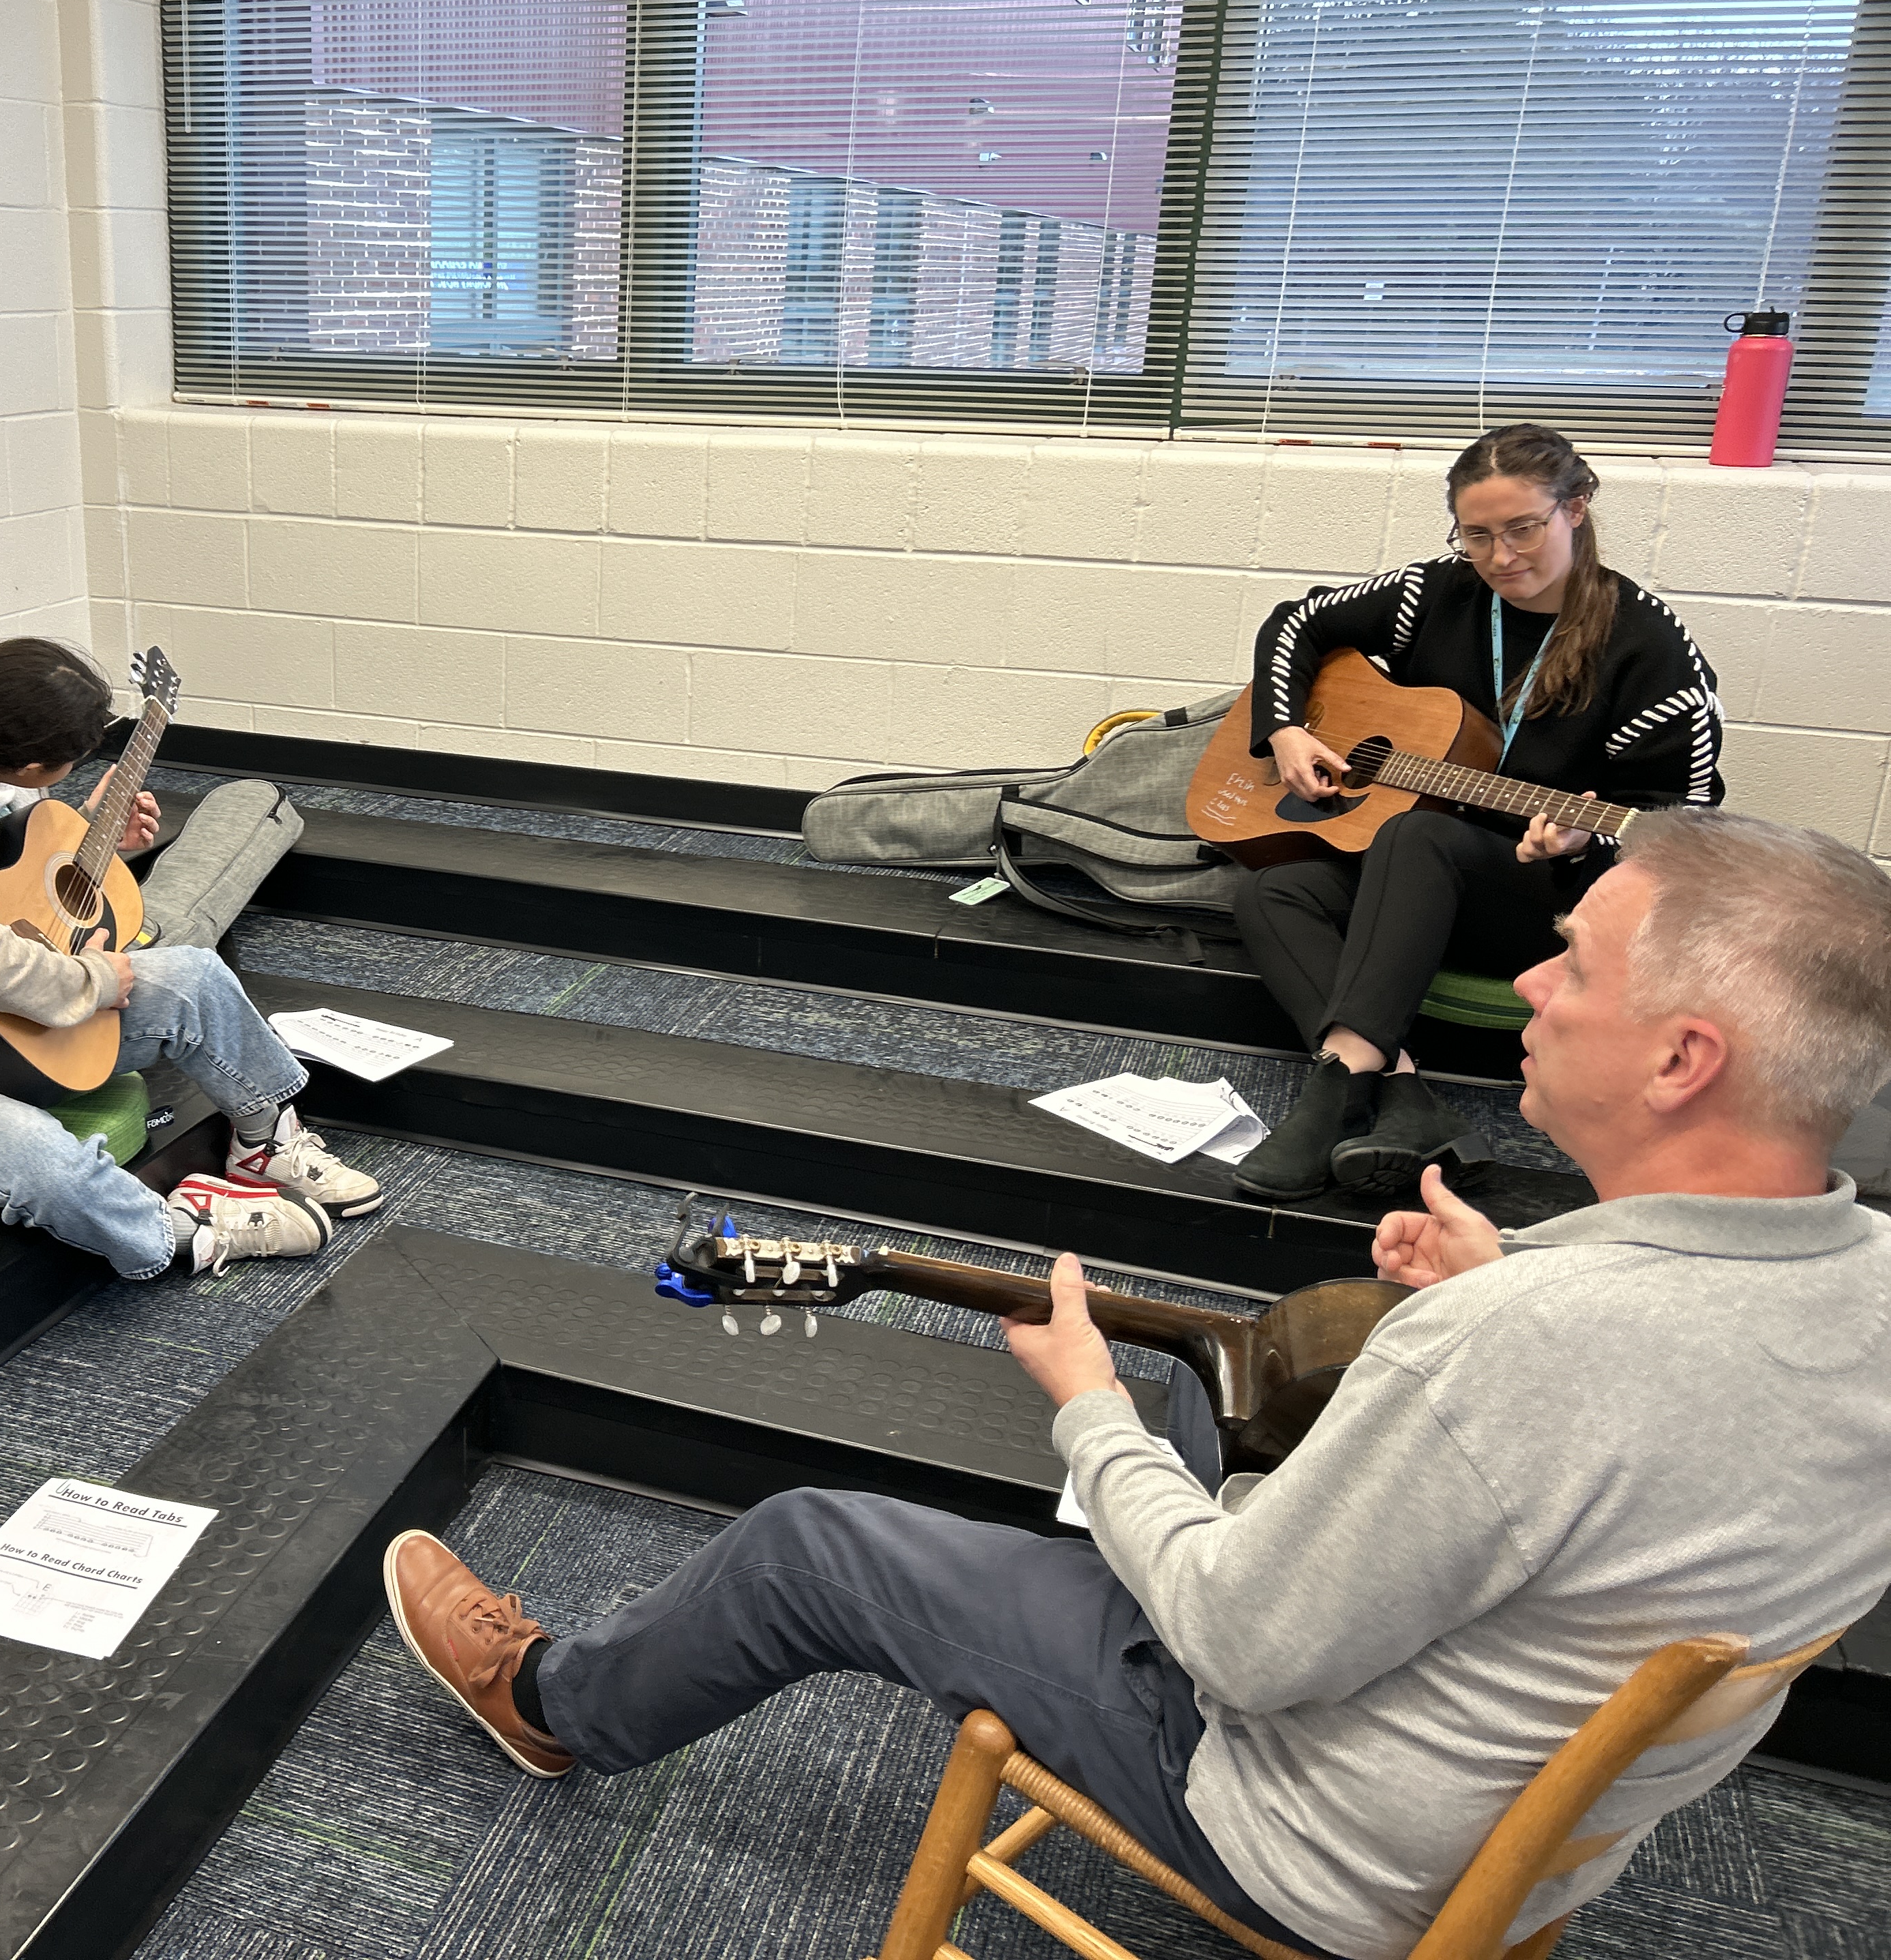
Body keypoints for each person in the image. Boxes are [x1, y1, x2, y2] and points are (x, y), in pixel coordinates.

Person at [383, 809, 1891, 1960]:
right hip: (1542, 1822)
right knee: (1216, 1393)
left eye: (1575, 959)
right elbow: (1669, 1414)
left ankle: (550, 1702)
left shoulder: (1524, 1351)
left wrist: (1083, 1406)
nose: (1534, 982)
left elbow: (1244, 1650)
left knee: (812, 1544)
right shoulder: (1865, 1278)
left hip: (1324, 1839)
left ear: (1685, 1057)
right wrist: (1506, 1283)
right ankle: (1083, 1573)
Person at [1230, 422, 1723, 1200]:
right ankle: (1401, 1092)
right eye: (1478, 536)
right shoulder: (1436, 593)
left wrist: (1581, 847)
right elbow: (1297, 621)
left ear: (1577, 508)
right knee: (1271, 888)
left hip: (1547, 903)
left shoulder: (1650, 647)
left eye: (1524, 529)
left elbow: (1687, 830)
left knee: (1421, 833)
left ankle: (1335, 1090)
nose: (1502, 558)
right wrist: (1285, 728)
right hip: (1418, 881)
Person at [0, 638, 381, 1279]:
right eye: (71, 760)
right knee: (48, 1165)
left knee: (192, 974)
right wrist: (96, 979)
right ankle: (183, 1234)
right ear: (30, 763)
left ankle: (265, 1140)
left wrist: (88, 835)